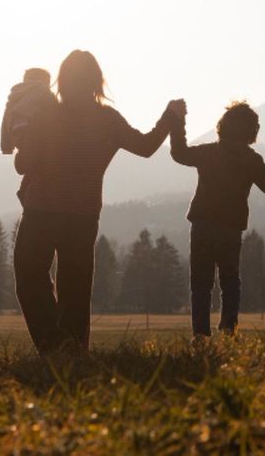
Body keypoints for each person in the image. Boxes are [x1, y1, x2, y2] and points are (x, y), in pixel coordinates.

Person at [13, 50, 184, 354]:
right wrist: (169, 117)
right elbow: (146, 146)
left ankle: (55, 346)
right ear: (96, 81)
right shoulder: (107, 119)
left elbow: (22, 163)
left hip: (41, 209)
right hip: (83, 214)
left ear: (62, 80)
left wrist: (23, 134)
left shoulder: (47, 114)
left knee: (30, 276)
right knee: (76, 289)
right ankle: (74, 351)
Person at [170, 102, 265, 338]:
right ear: (251, 131)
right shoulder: (251, 159)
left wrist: (177, 120)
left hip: (202, 224)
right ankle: (228, 331)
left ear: (223, 126)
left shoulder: (208, 152)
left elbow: (179, 153)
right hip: (230, 228)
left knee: (201, 284)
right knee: (230, 281)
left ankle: (200, 336)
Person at [0, 67, 55, 156]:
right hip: (42, 144)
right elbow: (56, 117)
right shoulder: (47, 95)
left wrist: (6, 148)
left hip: (22, 145)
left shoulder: (14, 98)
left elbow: (5, 123)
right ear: (46, 82)